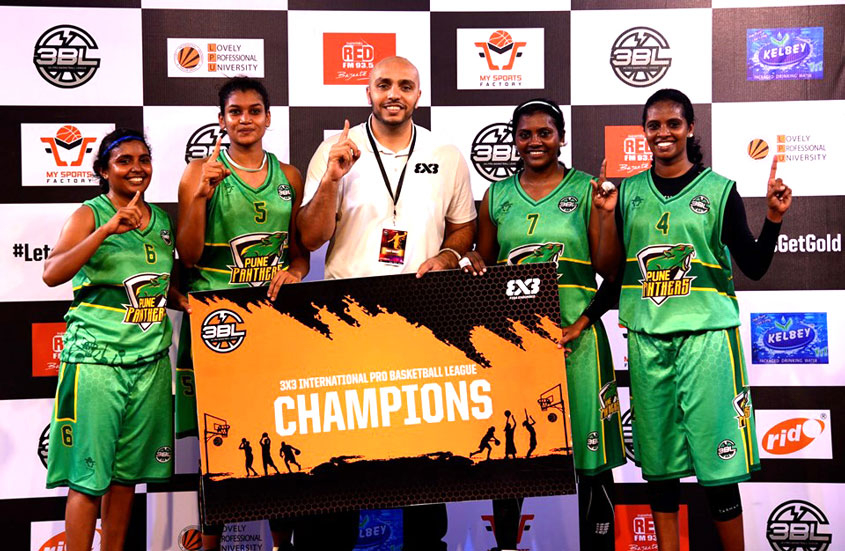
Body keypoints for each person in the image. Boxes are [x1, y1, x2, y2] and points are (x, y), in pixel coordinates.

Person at [590, 88, 792, 551]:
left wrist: (774, 219)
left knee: (719, 469)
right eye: (654, 125)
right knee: (659, 470)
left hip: (707, 341)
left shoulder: (720, 190)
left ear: (690, 128)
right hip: (646, 342)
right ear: (644, 132)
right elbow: (612, 272)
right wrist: (603, 219)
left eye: (673, 124)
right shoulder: (627, 193)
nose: (663, 132)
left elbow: (754, 266)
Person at [297, 56, 477, 551]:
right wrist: (332, 178)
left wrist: (448, 255)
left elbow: (464, 227)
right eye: (383, 84)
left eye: (405, 85)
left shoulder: (445, 153)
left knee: (422, 454)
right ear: (368, 93)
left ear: (418, 94)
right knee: (340, 451)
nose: (393, 93)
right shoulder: (335, 150)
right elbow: (310, 238)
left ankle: (423, 544)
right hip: (346, 321)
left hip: (420, 322)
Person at [462, 98, 625, 551]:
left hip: (577, 341)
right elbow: (484, 263)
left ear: (562, 138)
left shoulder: (588, 190)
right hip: (516, 347)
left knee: (592, 461)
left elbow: (611, 271)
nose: (535, 141)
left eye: (545, 133)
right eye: (525, 134)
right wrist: (473, 259)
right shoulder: (496, 196)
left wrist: (605, 215)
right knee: (512, 455)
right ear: (515, 140)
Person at [176, 77, 308, 551]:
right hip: (218, 324)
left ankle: (280, 544)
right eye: (235, 112)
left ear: (268, 118)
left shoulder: (289, 175)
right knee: (220, 442)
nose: (245, 119)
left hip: (272, 322)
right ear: (222, 119)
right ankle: (211, 545)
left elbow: (299, 253)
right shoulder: (199, 171)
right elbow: (189, 256)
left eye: (254, 111)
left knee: (278, 435)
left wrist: (295, 273)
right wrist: (200, 195)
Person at [42, 128, 183, 551]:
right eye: (124, 161)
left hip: (150, 362)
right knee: (88, 478)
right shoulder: (89, 214)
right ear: (104, 171)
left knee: (125, 479)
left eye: (144, 159)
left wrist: (185, 300)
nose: (136, 168)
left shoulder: (162, 220)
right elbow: (52, 273)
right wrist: (105, 231)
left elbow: (156, 283)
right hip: (97, 360)